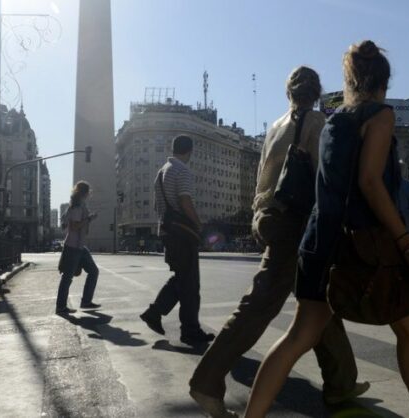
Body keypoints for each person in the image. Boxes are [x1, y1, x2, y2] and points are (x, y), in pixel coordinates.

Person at [244, 41, 409, 418]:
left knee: (298, 337)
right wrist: (407, 242)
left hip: (318, 244)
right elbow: (370, 182)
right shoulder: (380, 116)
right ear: (384, 82)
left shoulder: (333, 123)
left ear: (349, 80)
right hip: (364, 246)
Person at [189, 67, 367, 417]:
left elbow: (262, 178)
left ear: (289, 93)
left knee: (318, 300)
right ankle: (206, 382)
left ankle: (341, 384)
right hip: (298, 223)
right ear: (316, 92)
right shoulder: (317, 123)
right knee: (260, 305)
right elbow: (324, 178)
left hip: (271, 217)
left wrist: (259, 216)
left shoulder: (275, 126)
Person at [140, 135, 215, 345]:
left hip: (167, 231)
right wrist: (199, 226)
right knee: (190, 284)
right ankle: (189, 330)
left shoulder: (161, 171)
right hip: (182, 234)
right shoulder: (182, 170)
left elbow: (158, 207)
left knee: (182, 279)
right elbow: (185, 200)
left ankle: (156, 314)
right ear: (189, 150)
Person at [55, 181, 101, 315]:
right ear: (85, 193)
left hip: (80, 246)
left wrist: (88, 218)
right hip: (73, 246)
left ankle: (86, 301)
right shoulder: (76, 207)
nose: (89, 194)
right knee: (67, 277)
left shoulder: (79, 205)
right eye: (88, 192)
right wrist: (89, 219)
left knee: (93, 271)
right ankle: (61, 307)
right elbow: (74, 226)